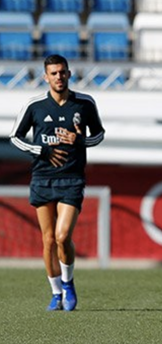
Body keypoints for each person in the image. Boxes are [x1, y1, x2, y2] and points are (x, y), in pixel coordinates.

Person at [10, 55, 105, 312]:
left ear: (69, 73)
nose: (58, 77)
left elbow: (98, 135)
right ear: (45, 77)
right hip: (42, 177)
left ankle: (68, 283)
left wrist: (78, 140)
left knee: (63, 236)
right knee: (49, 239)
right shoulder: (35, 105)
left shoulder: (84, 103)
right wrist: (41, 150)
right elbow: (15, 137)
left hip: (72, 178)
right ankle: (55, 293)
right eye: (53, 73)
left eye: (62, 72)